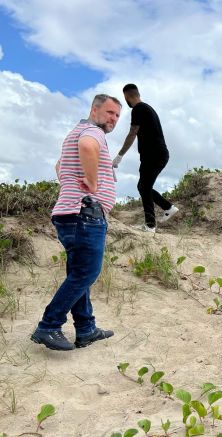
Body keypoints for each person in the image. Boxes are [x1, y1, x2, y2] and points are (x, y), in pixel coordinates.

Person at [31, 94, 122, 351]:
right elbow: (87, 146)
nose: (113, 119)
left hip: (69, 213)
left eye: (117, 115)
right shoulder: (92, 132)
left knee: (78, 272)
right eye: (109, 112)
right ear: (94, 110)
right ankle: (49, 325)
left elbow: (59, 165)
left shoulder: (75, 131)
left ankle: (86, 329)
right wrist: (92, 184)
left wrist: (70, 184)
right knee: (87, 272)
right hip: (85, 214)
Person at [112, 84, 178, 233]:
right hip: (157, 154)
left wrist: (120, 155)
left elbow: (132, 133)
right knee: (143, 186)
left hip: (153, 155)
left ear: (127, 96)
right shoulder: (147, 108)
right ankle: (168, 208)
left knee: (144, 187)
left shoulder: (138, 109)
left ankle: (150, 226)